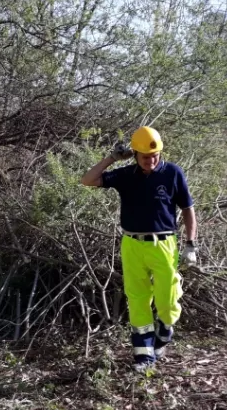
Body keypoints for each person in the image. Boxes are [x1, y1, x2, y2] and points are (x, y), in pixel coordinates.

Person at [81, 126, 197, 372]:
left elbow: (188, 209)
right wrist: (112, 158)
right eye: (145, 156)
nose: (151, 161)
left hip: (164, 244)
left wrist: (190, 243)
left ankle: (165, 330)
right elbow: (87, 180)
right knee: (137, 298)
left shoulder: (172, 173)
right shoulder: (125, 175)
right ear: (135, 154)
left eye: (154, 156)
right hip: (132, 243)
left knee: (167, 298)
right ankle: (144, 355)